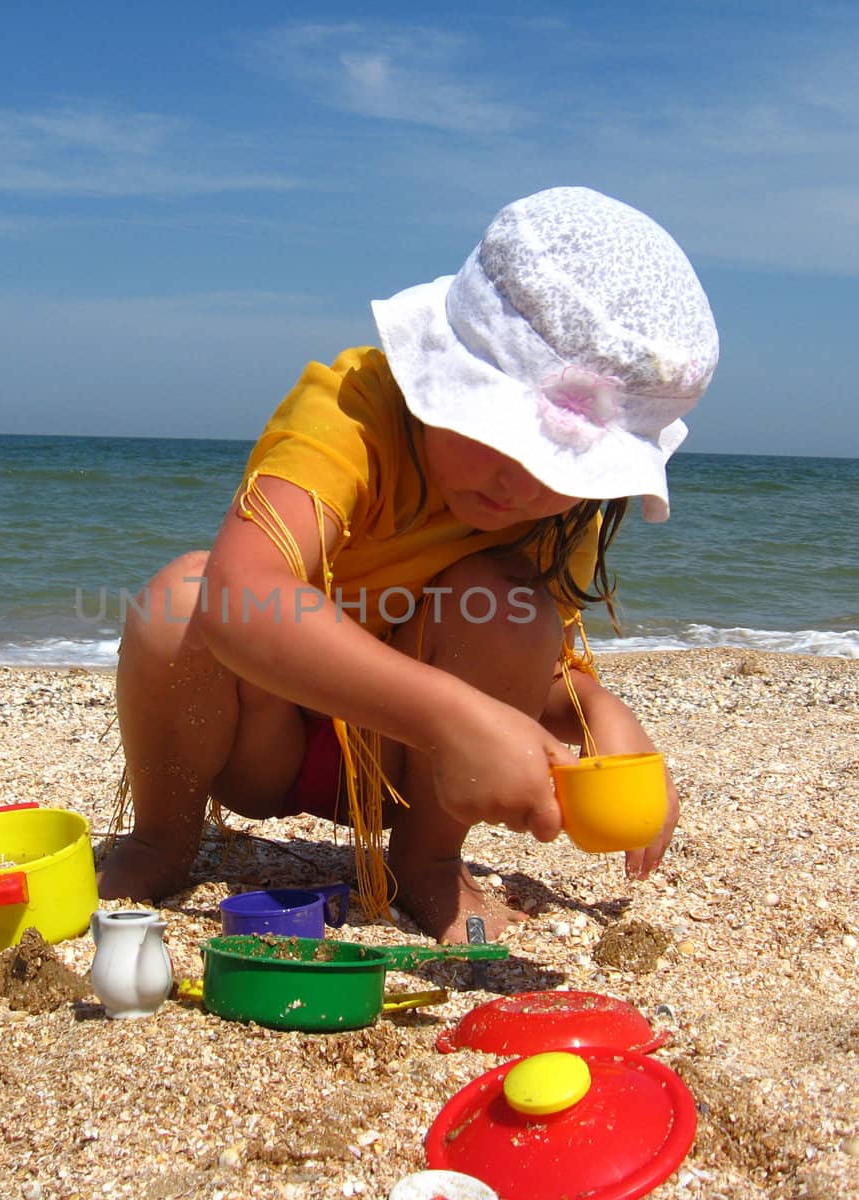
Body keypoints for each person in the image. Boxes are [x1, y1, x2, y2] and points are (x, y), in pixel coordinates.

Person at [97, 187, 719, 943]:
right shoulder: (353, 410)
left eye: (556, 461)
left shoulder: (555, 511)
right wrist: (452, 716)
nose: (516, 481)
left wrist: (599, 711)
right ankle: (163, 838)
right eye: (495, 432)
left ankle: (426, 861)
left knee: (507, 605)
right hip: (266, 742)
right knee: (181, 597)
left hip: (413, 773)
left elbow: (526, 666)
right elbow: (240, 598)